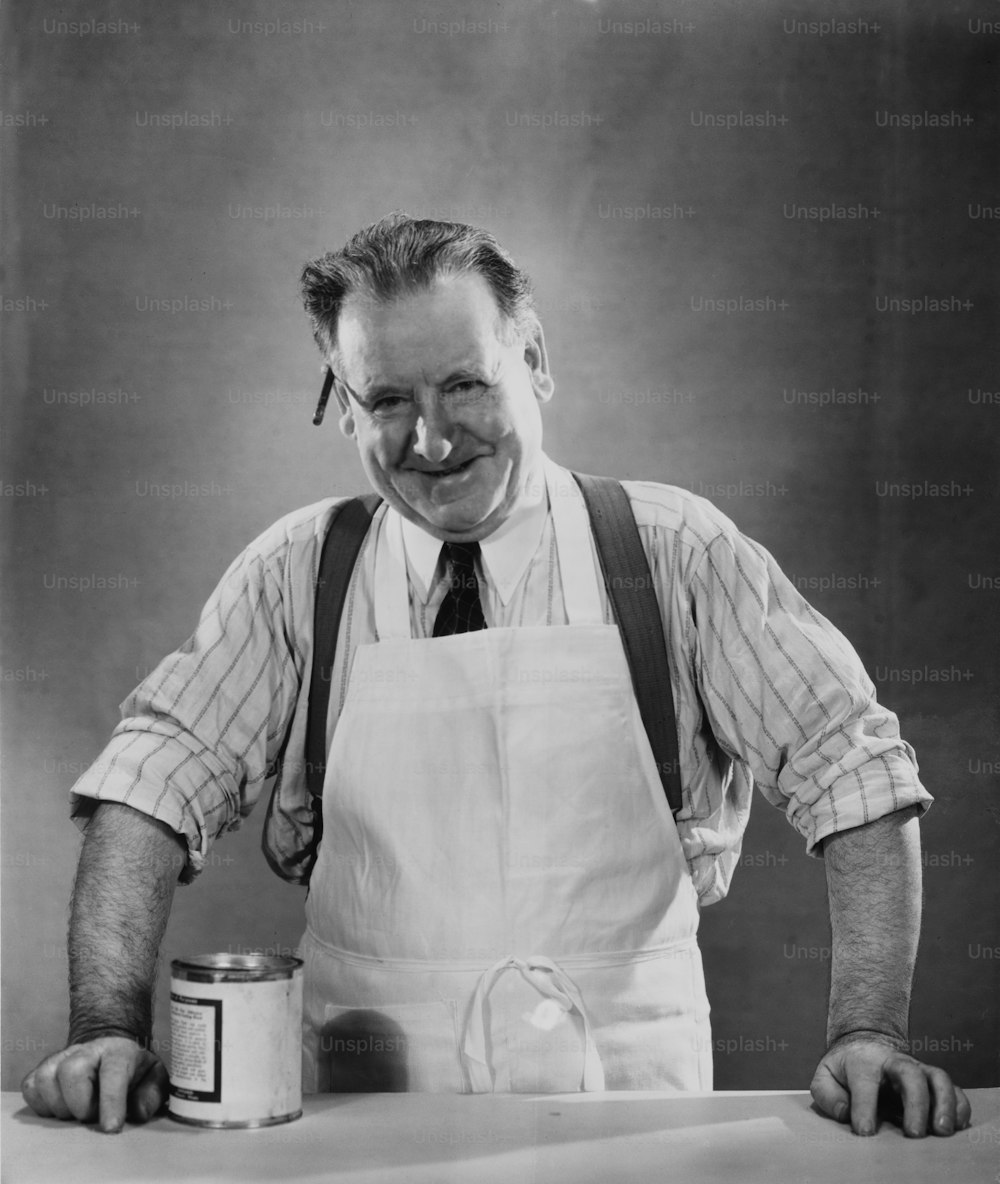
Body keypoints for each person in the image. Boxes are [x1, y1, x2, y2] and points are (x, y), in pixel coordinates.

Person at [22, 215, 970, 1136]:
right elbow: (149, 785)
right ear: (341, 401)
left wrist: (868, 1034)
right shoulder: (298, 572)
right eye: (387, 401)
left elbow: (853, 771)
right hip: (355, 1119)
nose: (431, 442)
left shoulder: (673, 551)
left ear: (537, 361)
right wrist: (106, 1030)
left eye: (464, 385)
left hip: (632, 1115)